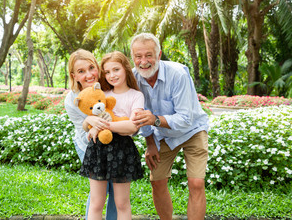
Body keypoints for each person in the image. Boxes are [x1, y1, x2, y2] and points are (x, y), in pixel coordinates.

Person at [130, 33, 209, 220]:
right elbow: (141, 116)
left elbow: (185, 119)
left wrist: (154, 119)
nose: (143, 61)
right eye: (138, 56)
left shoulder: (178, 74)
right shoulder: (133, 78)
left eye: (149, 55)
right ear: (132, 58)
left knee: (196, 183)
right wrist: (150, 143)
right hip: (162, 135)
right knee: (157, 182)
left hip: (193, 130)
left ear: (158, 55)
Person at [80, 51, 144, 220]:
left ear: (126, 69)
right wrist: (90, 121)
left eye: (116, 70)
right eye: (107, 72)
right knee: (96, 203)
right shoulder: (103, 94)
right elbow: (86, 125)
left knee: (122, 203)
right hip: (98, 149)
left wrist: (103, 125)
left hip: (122, 150)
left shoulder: (136, 96)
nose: (112, 75)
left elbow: (131, 126)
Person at [64, 49, 117, 220]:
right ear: (74, 75)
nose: (88, 75)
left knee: (117, 191)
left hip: (115, 143)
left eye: (91, 68)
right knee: (99, 193)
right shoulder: (72, 99)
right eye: (81, 71)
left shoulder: (107, 87)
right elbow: (84, 129)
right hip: (88, 145)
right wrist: (90, 123)